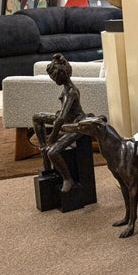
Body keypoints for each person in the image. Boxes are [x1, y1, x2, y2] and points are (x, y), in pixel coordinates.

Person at [33, 54, 88, 193]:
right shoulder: (65, 89)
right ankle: (42, 149)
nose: (53, 79)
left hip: (77, 124)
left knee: (53, 152)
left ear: (63, 75)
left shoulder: (71, 91)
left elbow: (61, 119)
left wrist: (52, 137)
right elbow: (62, 115)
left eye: (54, 77)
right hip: (68, 119)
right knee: (36, 117)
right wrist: (46, 142)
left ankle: (67, 178)